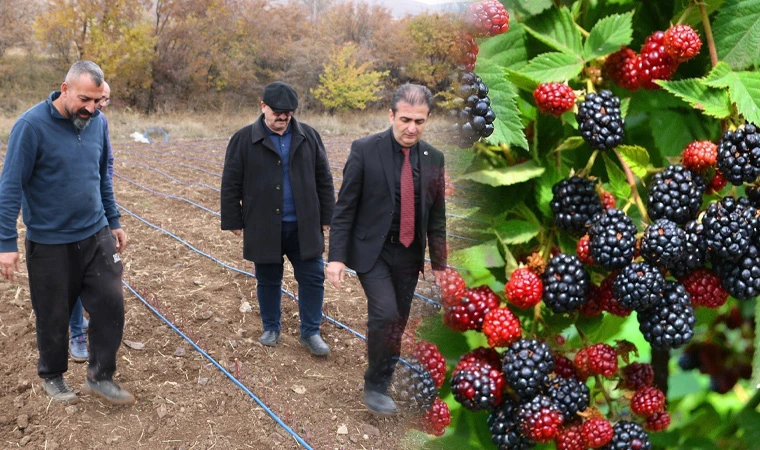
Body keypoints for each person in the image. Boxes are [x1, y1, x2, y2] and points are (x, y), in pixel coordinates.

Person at [0, 61, 134, 405]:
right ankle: (53, 375)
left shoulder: (97, 123)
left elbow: (103, 175)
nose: (91, 108)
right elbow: (10, 186)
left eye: (97, 101)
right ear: (65, 88)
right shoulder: (30, 127)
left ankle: (100, 375)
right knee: (53, 313)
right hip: (50, 241)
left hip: (95, 232)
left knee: (110, 302)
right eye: (85, 99)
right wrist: (6, 242)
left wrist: (114, 220)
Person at [326, 83, 448, 415]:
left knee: (399, 321)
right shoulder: (365, 149)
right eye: (405, 119)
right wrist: (335, 257)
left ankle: (383, 377)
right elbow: (345, 207)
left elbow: (437, 215)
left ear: (427, 120)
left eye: (419, 122)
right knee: (385, 313)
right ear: (391, 114)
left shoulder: (434, 158)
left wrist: (440, 264)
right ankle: (375, 386)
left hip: (410, 254)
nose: (412, 128)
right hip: (373, 251)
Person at [221, 81, 335, 356]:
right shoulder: (244, 138)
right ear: (263, 107)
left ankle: (311, 332)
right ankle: (271, 327)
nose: (283, 118)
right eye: (277, 112)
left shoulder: (309, 136)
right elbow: (230, 182)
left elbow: (324, 178)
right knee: (268, 278)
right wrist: (234, 220)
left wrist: (328, 215)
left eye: (288, 113)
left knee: (312, 277)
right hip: (263, 224)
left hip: (304, 223)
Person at [69, 81, 113, 363]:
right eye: (97, 100)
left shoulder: (100, 122)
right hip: (66, 222)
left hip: (94, 213)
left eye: (104, 100)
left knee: (92, 274)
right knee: (71, 277)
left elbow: (105, 162)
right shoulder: (68, 121)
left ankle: (84, 324)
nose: (98, 106)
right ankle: (75, 333)